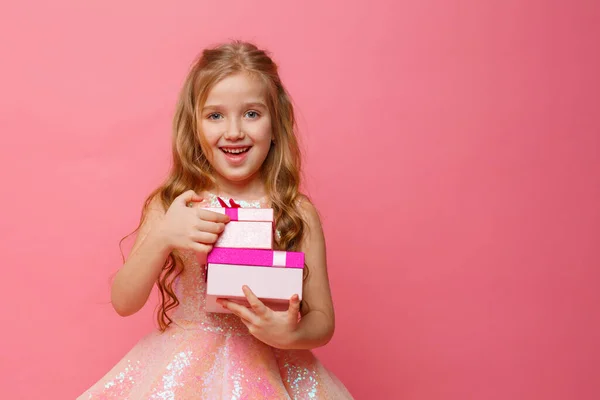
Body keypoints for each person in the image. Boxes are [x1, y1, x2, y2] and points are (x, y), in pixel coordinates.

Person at [78, 40, 353, 399]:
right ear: (194, 125)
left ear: (277, 123)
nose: (234, 131)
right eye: (215, 115)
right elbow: (124, 301)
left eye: (252, 114)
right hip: (184, 372)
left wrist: (292, 335)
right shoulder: (175, 205)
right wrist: (163, 237)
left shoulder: (295, 211)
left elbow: (322, 320)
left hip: (273, 374)